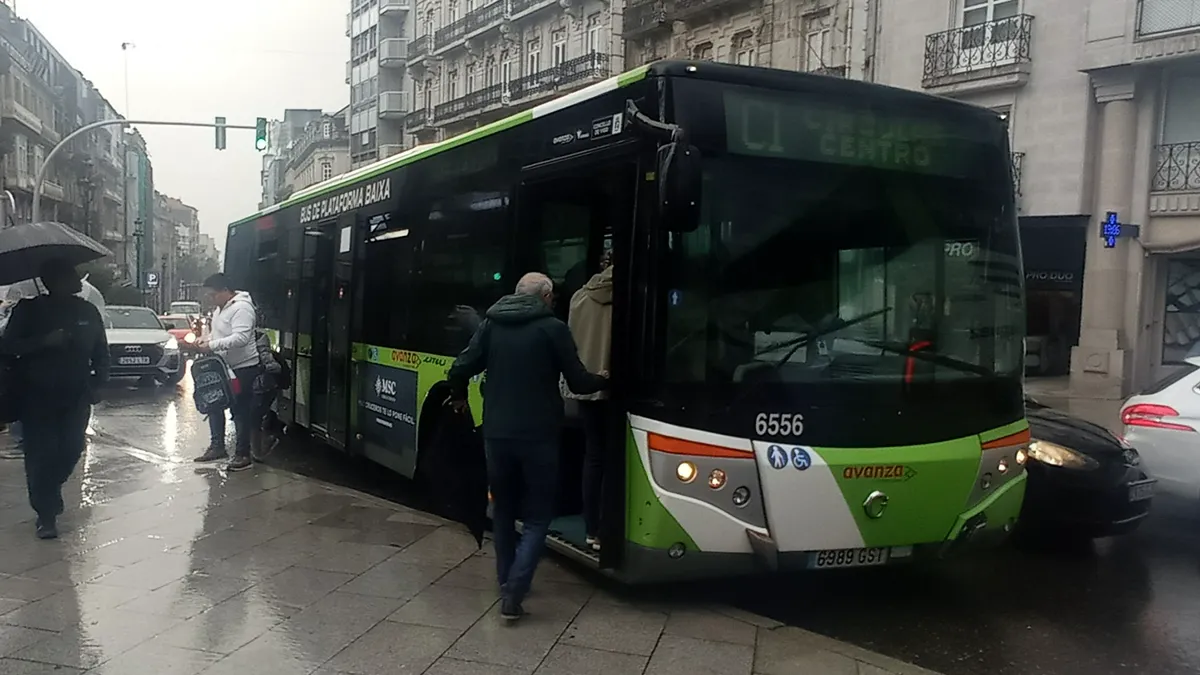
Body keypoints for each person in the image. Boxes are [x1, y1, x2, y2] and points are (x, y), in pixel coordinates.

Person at [447, 272, 608, 623]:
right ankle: (515, 590)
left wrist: (459, 398)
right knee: (537, 516)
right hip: (539, 437)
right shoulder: (553, 328)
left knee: (503, 511)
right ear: (547, 297)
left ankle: (507, 580)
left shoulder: (491, 324)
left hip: (497, 435)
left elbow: (460, 367)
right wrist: (606, 378)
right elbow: (579, 382)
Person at [0, 259, 108, 539]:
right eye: (68, 274)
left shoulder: (87, 310)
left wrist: (98, 385)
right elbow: (7, 347)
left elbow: (101, 352)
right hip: (36, 396)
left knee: (71, 449)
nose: (76, 280)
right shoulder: (29, 310)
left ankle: (50, 489)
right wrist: (43, 341)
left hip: (76, 395)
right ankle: (46, 515)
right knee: (40, 456)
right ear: (52, 280)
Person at [564, 250, 614, 553]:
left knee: (593, 457)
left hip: (586, 388)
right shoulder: (635, 297)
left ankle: (591, 528)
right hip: (615, 389)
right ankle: (610, 527)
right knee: (614, 460)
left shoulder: (579, 297)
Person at [192, 273, 260, 471]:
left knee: (240, 410)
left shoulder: (242, 308)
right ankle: (217, 446)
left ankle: (242, 454)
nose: (211, 299)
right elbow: (218, 333)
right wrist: (206, 340)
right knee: (214, 403)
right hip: (222, 366)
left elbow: (241, 338)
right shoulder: (219, 310)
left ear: (225, 291)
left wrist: (211, 345)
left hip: (243, 367)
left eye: (213, 295)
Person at [250, 321, 284, 461]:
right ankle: (258, 448)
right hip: (258, 387)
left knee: (253, 419)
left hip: (262, 387)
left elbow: (274, 366)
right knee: (252, 418)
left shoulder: (258, 341)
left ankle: (258, 452)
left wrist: (260, 367)